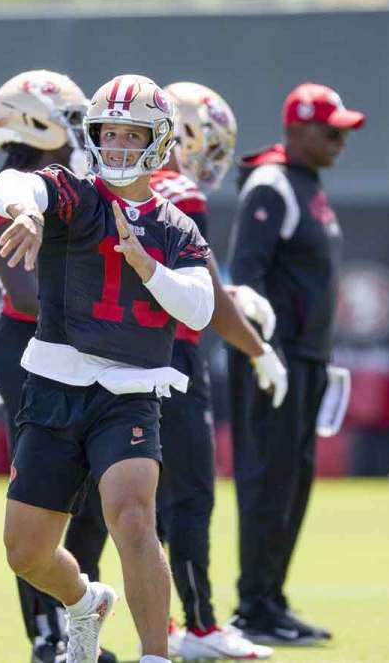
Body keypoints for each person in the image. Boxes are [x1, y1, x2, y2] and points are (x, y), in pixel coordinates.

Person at [0, 74, 214, 663]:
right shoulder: (75, 195)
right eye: (107, 134)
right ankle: (86, 601)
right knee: (26, 552)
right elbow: (17, 183)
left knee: (134, 514)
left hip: (129, 392)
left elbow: (200, 304)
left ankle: (154, 655)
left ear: (158, 141)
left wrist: (148, 266)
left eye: (130, 134)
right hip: (54, 384)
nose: (115, 145)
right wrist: (26, 213)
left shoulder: (175, 226)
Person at [0, 69, 118, 663]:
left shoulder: (84, 181)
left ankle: (78, 629)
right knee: (41, 500)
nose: (81, 130)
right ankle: (47, 637)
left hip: (88, 349)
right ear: (36, 121)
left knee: (96, 502)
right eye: (70, 117)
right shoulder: (6, 191)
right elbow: (32, 294)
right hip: (33, 350)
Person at [147, 81, 283, 661]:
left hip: (116, 357)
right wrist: (256, 348)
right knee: (190, 495)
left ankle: (163, 623)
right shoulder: (179, 191)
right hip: (172, 357)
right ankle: (200, 627)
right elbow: (197, 298)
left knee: (139, 503)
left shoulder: (119, 186)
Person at [226, 82, 365, 645]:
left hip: (307, 359)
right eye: (332, 131)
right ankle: (253, 607)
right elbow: (246, 275)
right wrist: (263, 352)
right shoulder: (271, 183)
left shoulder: (308, 185)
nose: (340, 141)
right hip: (273, 362)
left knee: (294, 482)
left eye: (343, 132)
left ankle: (272, 600)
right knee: (267, 480)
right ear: (298, 129)